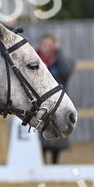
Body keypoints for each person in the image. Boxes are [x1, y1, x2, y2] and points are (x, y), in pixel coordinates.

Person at [37, 33, 75, 164]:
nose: (44, 47)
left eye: (47, 44)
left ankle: (54, 164)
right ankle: (42, 163)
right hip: (40, 104)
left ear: (53, 45)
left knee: (56, 134)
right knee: (39, 133)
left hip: (57, 103)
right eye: (43, 43)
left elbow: (66, 70)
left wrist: (60, 50)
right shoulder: (36, 59)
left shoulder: (59, 61)